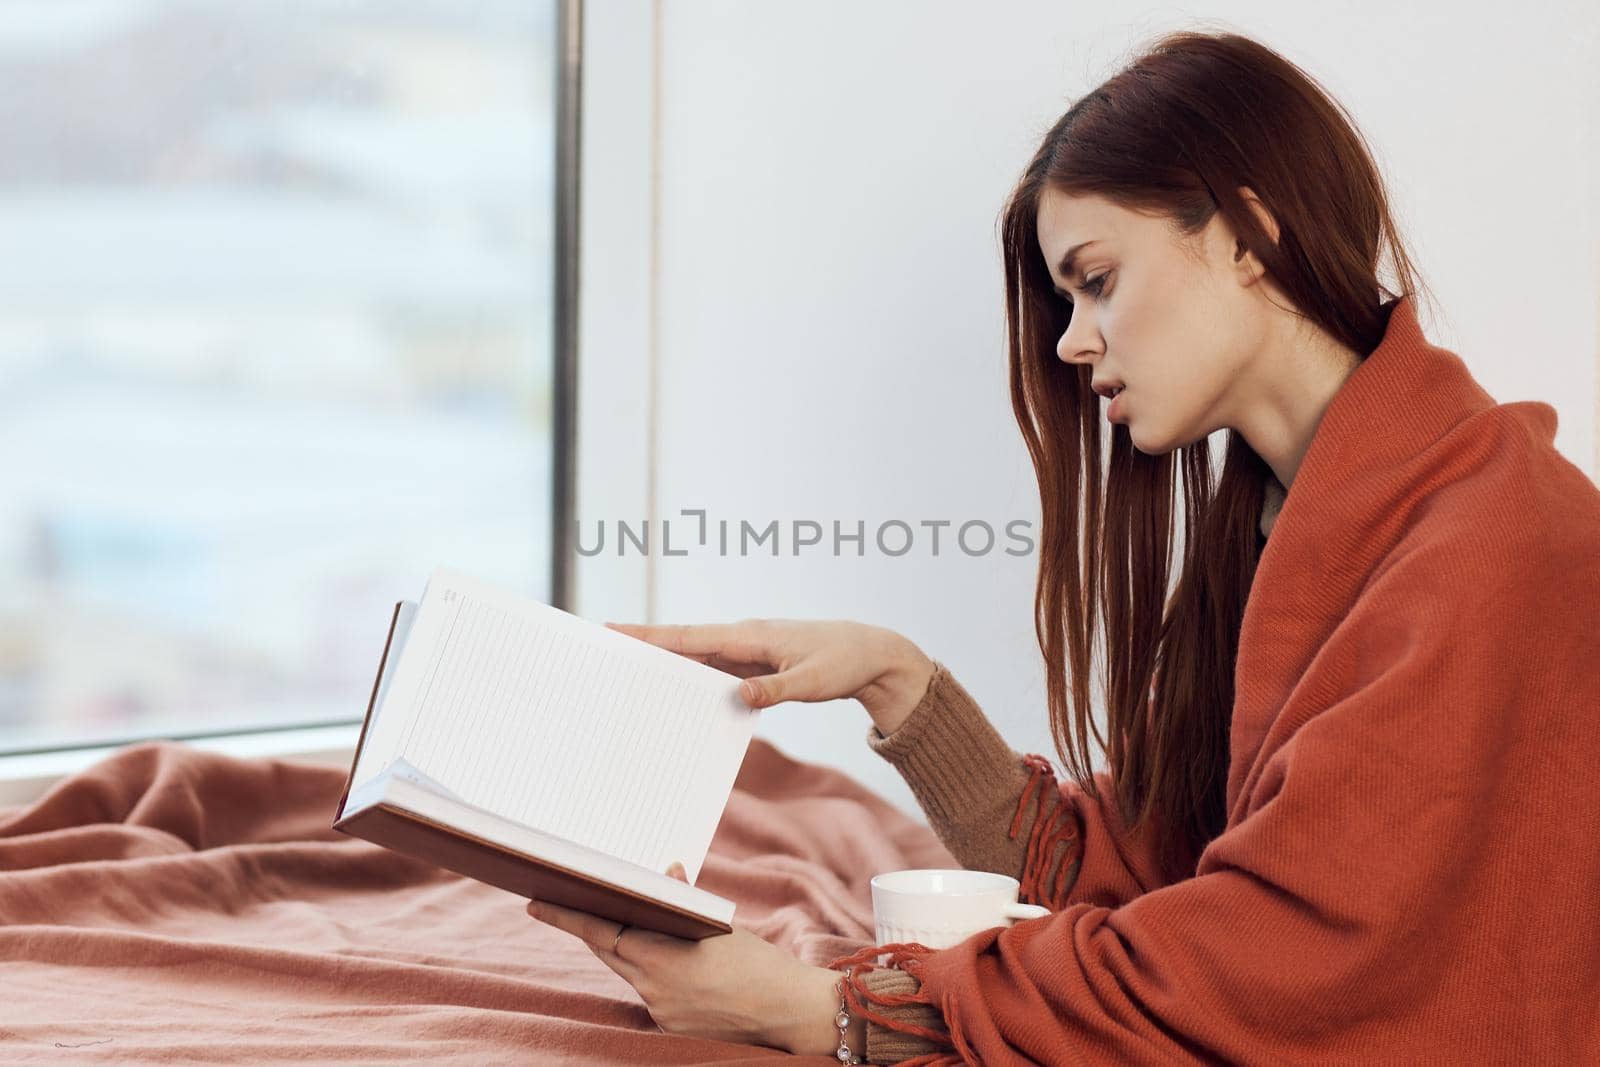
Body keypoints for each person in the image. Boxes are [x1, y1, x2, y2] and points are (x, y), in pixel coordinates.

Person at [524, 27, 1600, 1065]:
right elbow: (1131, 876)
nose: (1069, 339)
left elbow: (1277, 963)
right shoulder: (1283, 520)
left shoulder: (1490, 539)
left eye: (1095, 278)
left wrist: (833, 1008)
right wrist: (899, 682)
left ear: (1247, 240)